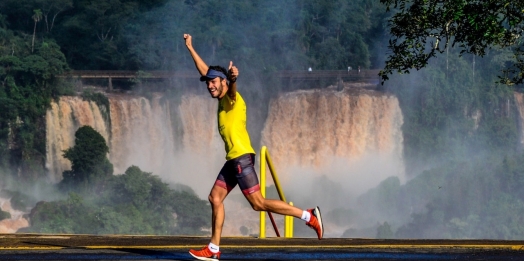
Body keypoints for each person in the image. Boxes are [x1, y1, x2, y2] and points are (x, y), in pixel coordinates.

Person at [183, 34, 323, 261]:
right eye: (208, 82)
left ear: (223, 82)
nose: (209, 85)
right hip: (234, 159)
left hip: (241, 158)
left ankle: (309, 216)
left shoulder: (230, 99)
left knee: (258, 203)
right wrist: (190, 47)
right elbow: (204, 70)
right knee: (215, 198)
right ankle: (214, 249)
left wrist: (233, 78)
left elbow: (232, 90)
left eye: (213, 82)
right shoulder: (220, 97)